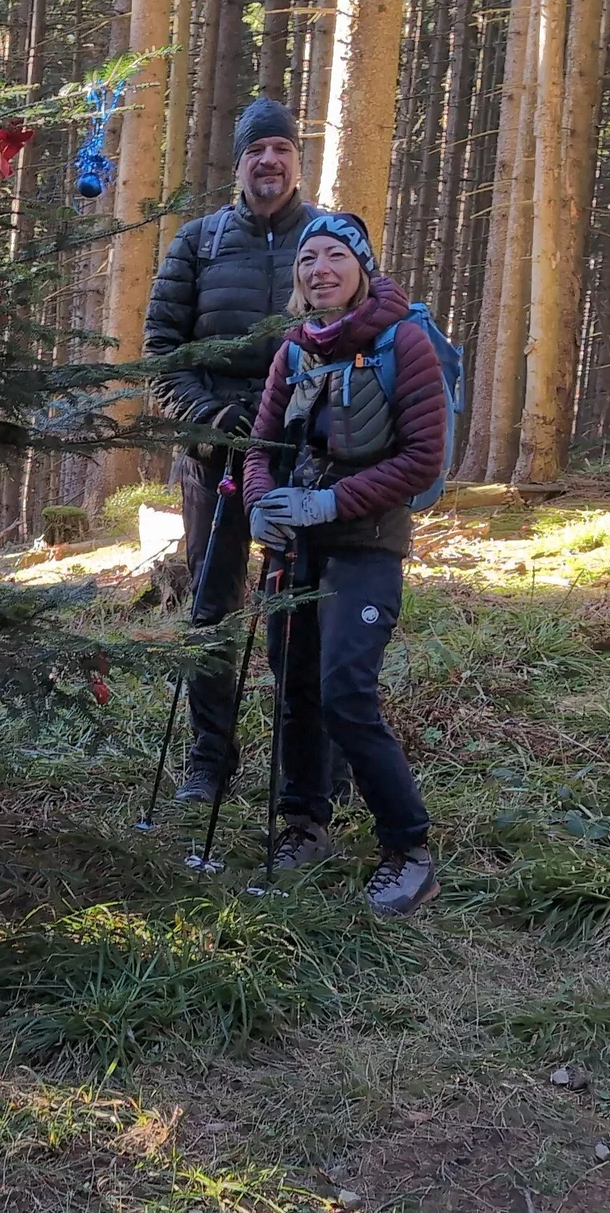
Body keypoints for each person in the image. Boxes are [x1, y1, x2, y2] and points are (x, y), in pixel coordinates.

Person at [243, 212, 443, 917]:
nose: (317, 269)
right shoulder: (293, 351)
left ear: (362, 267)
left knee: (345, 693)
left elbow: (423, 458)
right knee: (295, 686)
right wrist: (264, 506)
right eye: (306, 260)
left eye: (333, 256)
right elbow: (261, 445)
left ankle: (409, 849)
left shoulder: (404, 345)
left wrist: (331, 505)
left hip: (367, 547)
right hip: (295, 549)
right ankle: (306, 825)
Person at [143, 96, 317, 803]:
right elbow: (161, 352)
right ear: (239, 164)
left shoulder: (327, 237)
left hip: (300, 456)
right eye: (256, 152)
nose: (268, 162)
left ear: (295, 159)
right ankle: (209, 760)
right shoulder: (198, 241)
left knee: (296, 611)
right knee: (212, 610)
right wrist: (211, 414)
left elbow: (362, 339)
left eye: (280, 149)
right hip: (212, 455)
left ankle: (302, 766)